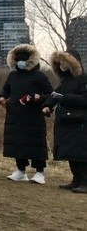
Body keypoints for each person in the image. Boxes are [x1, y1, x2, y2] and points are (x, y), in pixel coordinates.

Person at [0, 44, 53, 184]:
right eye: (17, 59)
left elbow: (50, 95)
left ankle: (39, 172)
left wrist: (35, 97)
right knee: (17, 142)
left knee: (36, 143)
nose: (20, 62)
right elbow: (5, 89)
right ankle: (20, 170)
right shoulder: (13, 75)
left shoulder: (39, 76)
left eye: (23, 59)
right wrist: (1, 96)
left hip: (33, 116)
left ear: (30, 61)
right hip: (14, 114)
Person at [44, 50, 87, 193]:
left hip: (80, 122)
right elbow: (55, 94)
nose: (62, 66)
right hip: (66, 121)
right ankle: (76, 180)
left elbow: (84, 100)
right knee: (70, 152)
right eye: (60, 63)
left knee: (80, 153)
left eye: (64, 62)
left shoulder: (83, 79)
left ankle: (85, 182)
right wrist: (47, 105)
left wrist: (64, 97)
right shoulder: (66, 81)